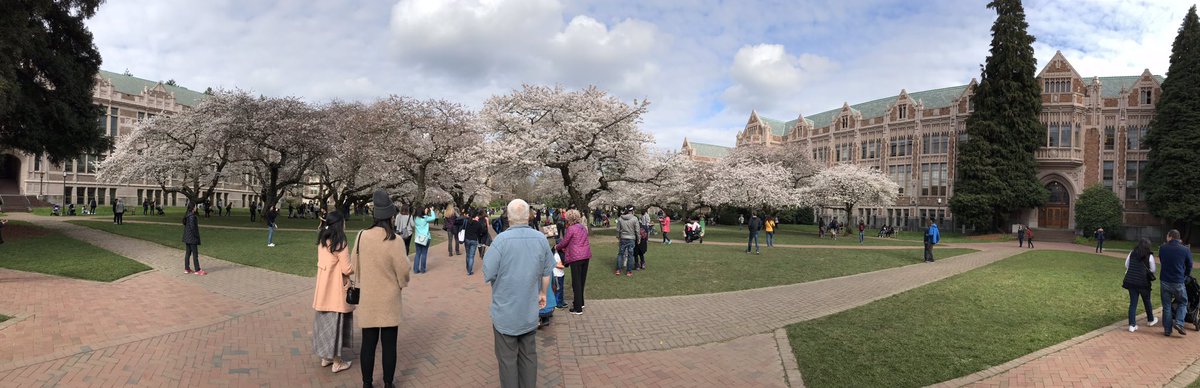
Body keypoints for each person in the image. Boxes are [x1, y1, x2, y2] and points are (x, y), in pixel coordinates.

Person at [484, 199, 555, 388]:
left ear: (508, 217)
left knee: (507, 361)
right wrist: (543, 293)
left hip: (505, 312)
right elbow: (547, 271)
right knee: (529, 356)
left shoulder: (500, 241)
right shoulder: (540, 239)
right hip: (529, 310)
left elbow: (488, 272)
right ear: (528, 216)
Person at [353, 191, 411, 388]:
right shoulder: (395, 240)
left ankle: (367, 383)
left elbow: (354, 265)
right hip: (389, 298)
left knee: (368, 345)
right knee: (389, 345)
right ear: (390, 216)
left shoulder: (362, 236)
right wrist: (401, 283)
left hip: (368, 297)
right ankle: (388, 383)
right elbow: (403, 270)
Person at [312, 211, 355, 373]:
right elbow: (347, 268)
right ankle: (337, 361)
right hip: (335, 289)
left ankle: (326, 357)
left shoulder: (323, 240)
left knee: (325, 323)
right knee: (337, 324)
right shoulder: (340, 241)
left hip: (323, 287)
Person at [556, 209, 591, 315]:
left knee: (576, 282)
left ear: (569, 219)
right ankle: (580, 302)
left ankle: (577, 308)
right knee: (581, 280)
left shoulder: (571, 228)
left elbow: (564, 242)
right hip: (585, 255)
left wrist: (557, 246)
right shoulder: (583, 227)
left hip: (576, 257)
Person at [1160, 229, 1194, 337]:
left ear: (1170, 236)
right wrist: (1185, 275)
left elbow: (1162, 260)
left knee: (1166, 306)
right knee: (1183, 302)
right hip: (1178, 280)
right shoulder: (1185, 250)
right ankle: (1179, 323)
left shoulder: (1163, 248)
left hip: (1165, 280)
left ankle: (1167, 330)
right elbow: (1190, 264)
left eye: (1167, 236)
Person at [1122, 238, 1158, 332]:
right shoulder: (1149, 256)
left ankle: (1132, 325)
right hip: (1143, 282)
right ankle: (1150, 319)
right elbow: (1153, 270)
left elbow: (1126, 265)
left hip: (1131, 281)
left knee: (1133, 303)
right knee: (1147, 301)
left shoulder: (1132, 253)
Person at [412, 207, 438, 274]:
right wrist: (432, 210)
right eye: (425, 210)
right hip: (425, 238)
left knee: (417, 253)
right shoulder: (425, 218)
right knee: (424, 253)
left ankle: (415, 269)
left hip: (418, 238)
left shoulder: (415, 218)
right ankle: (422, 269)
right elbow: (433, 218)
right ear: (422, 211)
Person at [615, 205, 639, 276]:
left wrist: (618, 236)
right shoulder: (635, 219)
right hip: (631, 238)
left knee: (620, 254)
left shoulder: (620, 218)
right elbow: (637, 230)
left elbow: (618, 229)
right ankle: (629, 271)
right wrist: (638, 238)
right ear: (632, 211)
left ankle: (618, 270)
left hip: (623, 238)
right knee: (630, 255)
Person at [182, 205, 206, 275]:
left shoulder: (187, 215)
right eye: (195, 206)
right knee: (195, 254)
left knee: (188, 253)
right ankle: (197, 269)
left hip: (187, 238)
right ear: (193, 208)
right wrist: (196, 236)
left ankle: (187, 269)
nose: (196, 208)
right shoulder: (192, 216)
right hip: (192, 238)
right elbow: (193, 228)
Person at [463, 209, 488, 276]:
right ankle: (469, 271)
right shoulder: (477, 223)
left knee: (468, 255)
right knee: (471, 256)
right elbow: (480, 232)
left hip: (467, 239)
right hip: (474, 240)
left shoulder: (466, 222)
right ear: (475, 216)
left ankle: (468, 268)